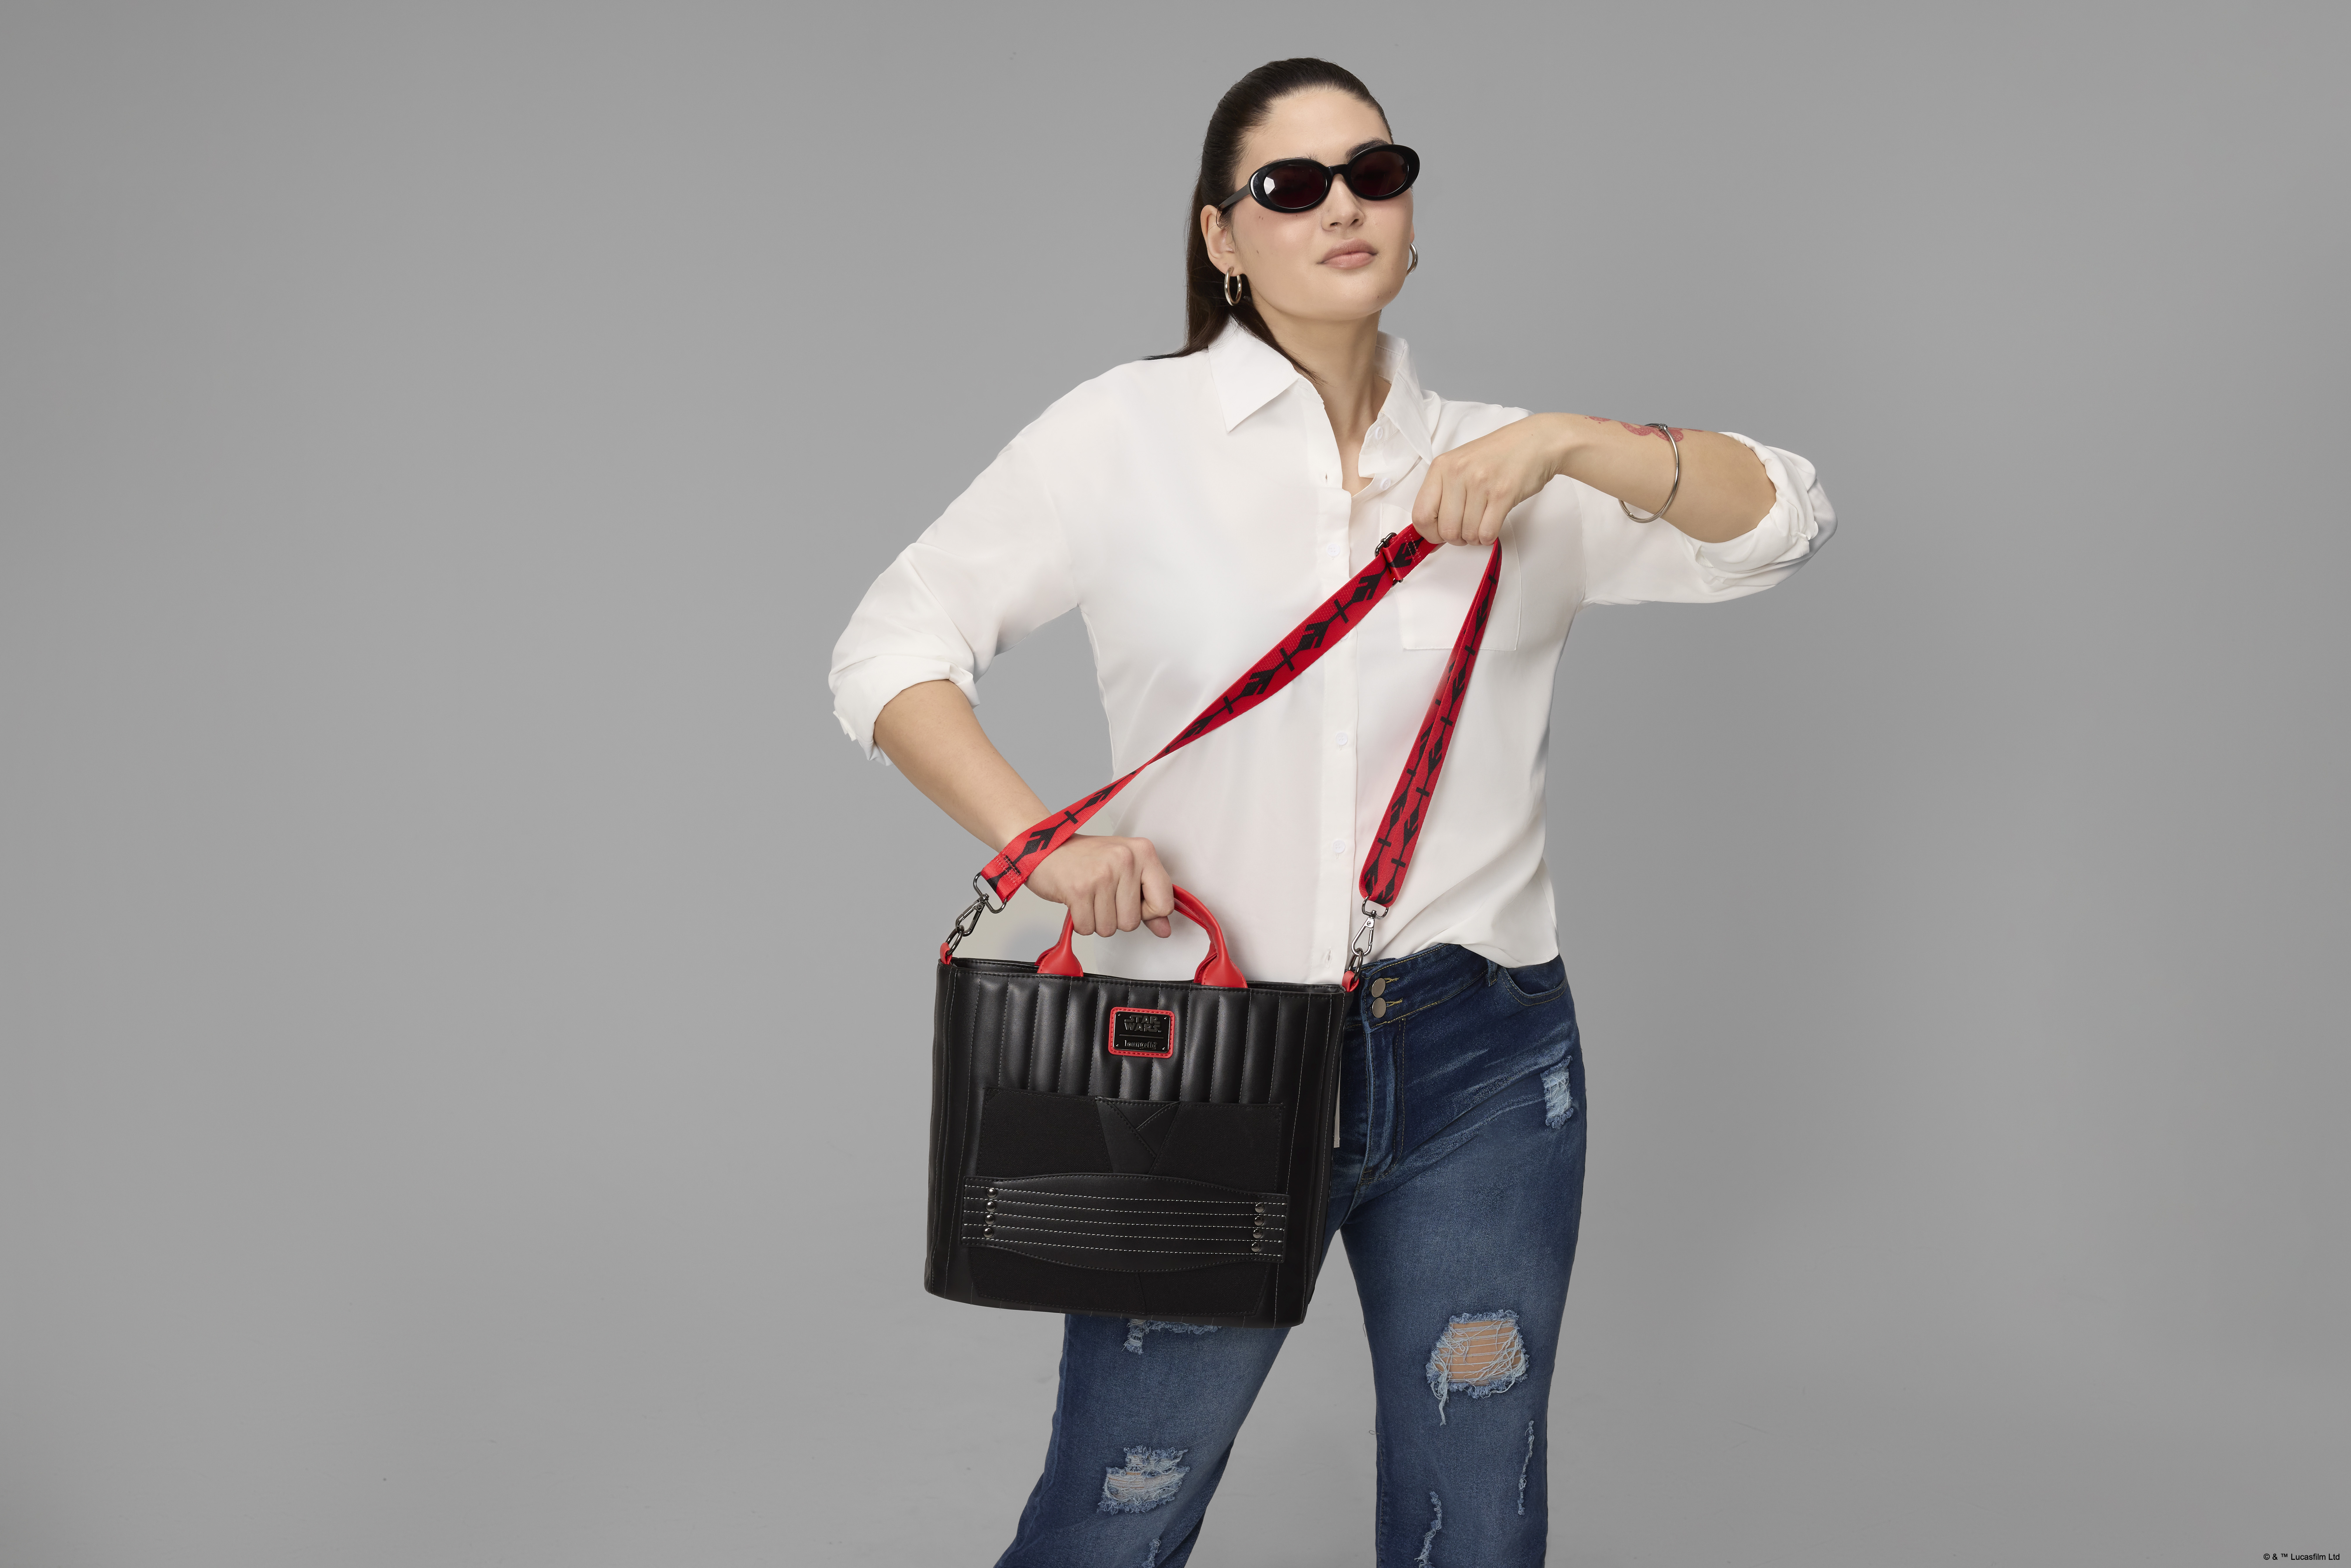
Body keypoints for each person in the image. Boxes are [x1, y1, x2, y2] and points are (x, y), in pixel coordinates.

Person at [829, 56, 1833, 1568]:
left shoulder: (1510, 462)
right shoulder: (1125, 438)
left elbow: (1782, 521)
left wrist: (1565, 437)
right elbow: (890, 649)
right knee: (1120, 1503)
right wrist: (1046, 842)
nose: (1343, 206)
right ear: (1224, 238)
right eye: (1292, 186)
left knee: (1475, 1515)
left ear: (1413, 215)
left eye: (1376, 171)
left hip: (1484, 1058)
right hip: (1200, 1065)